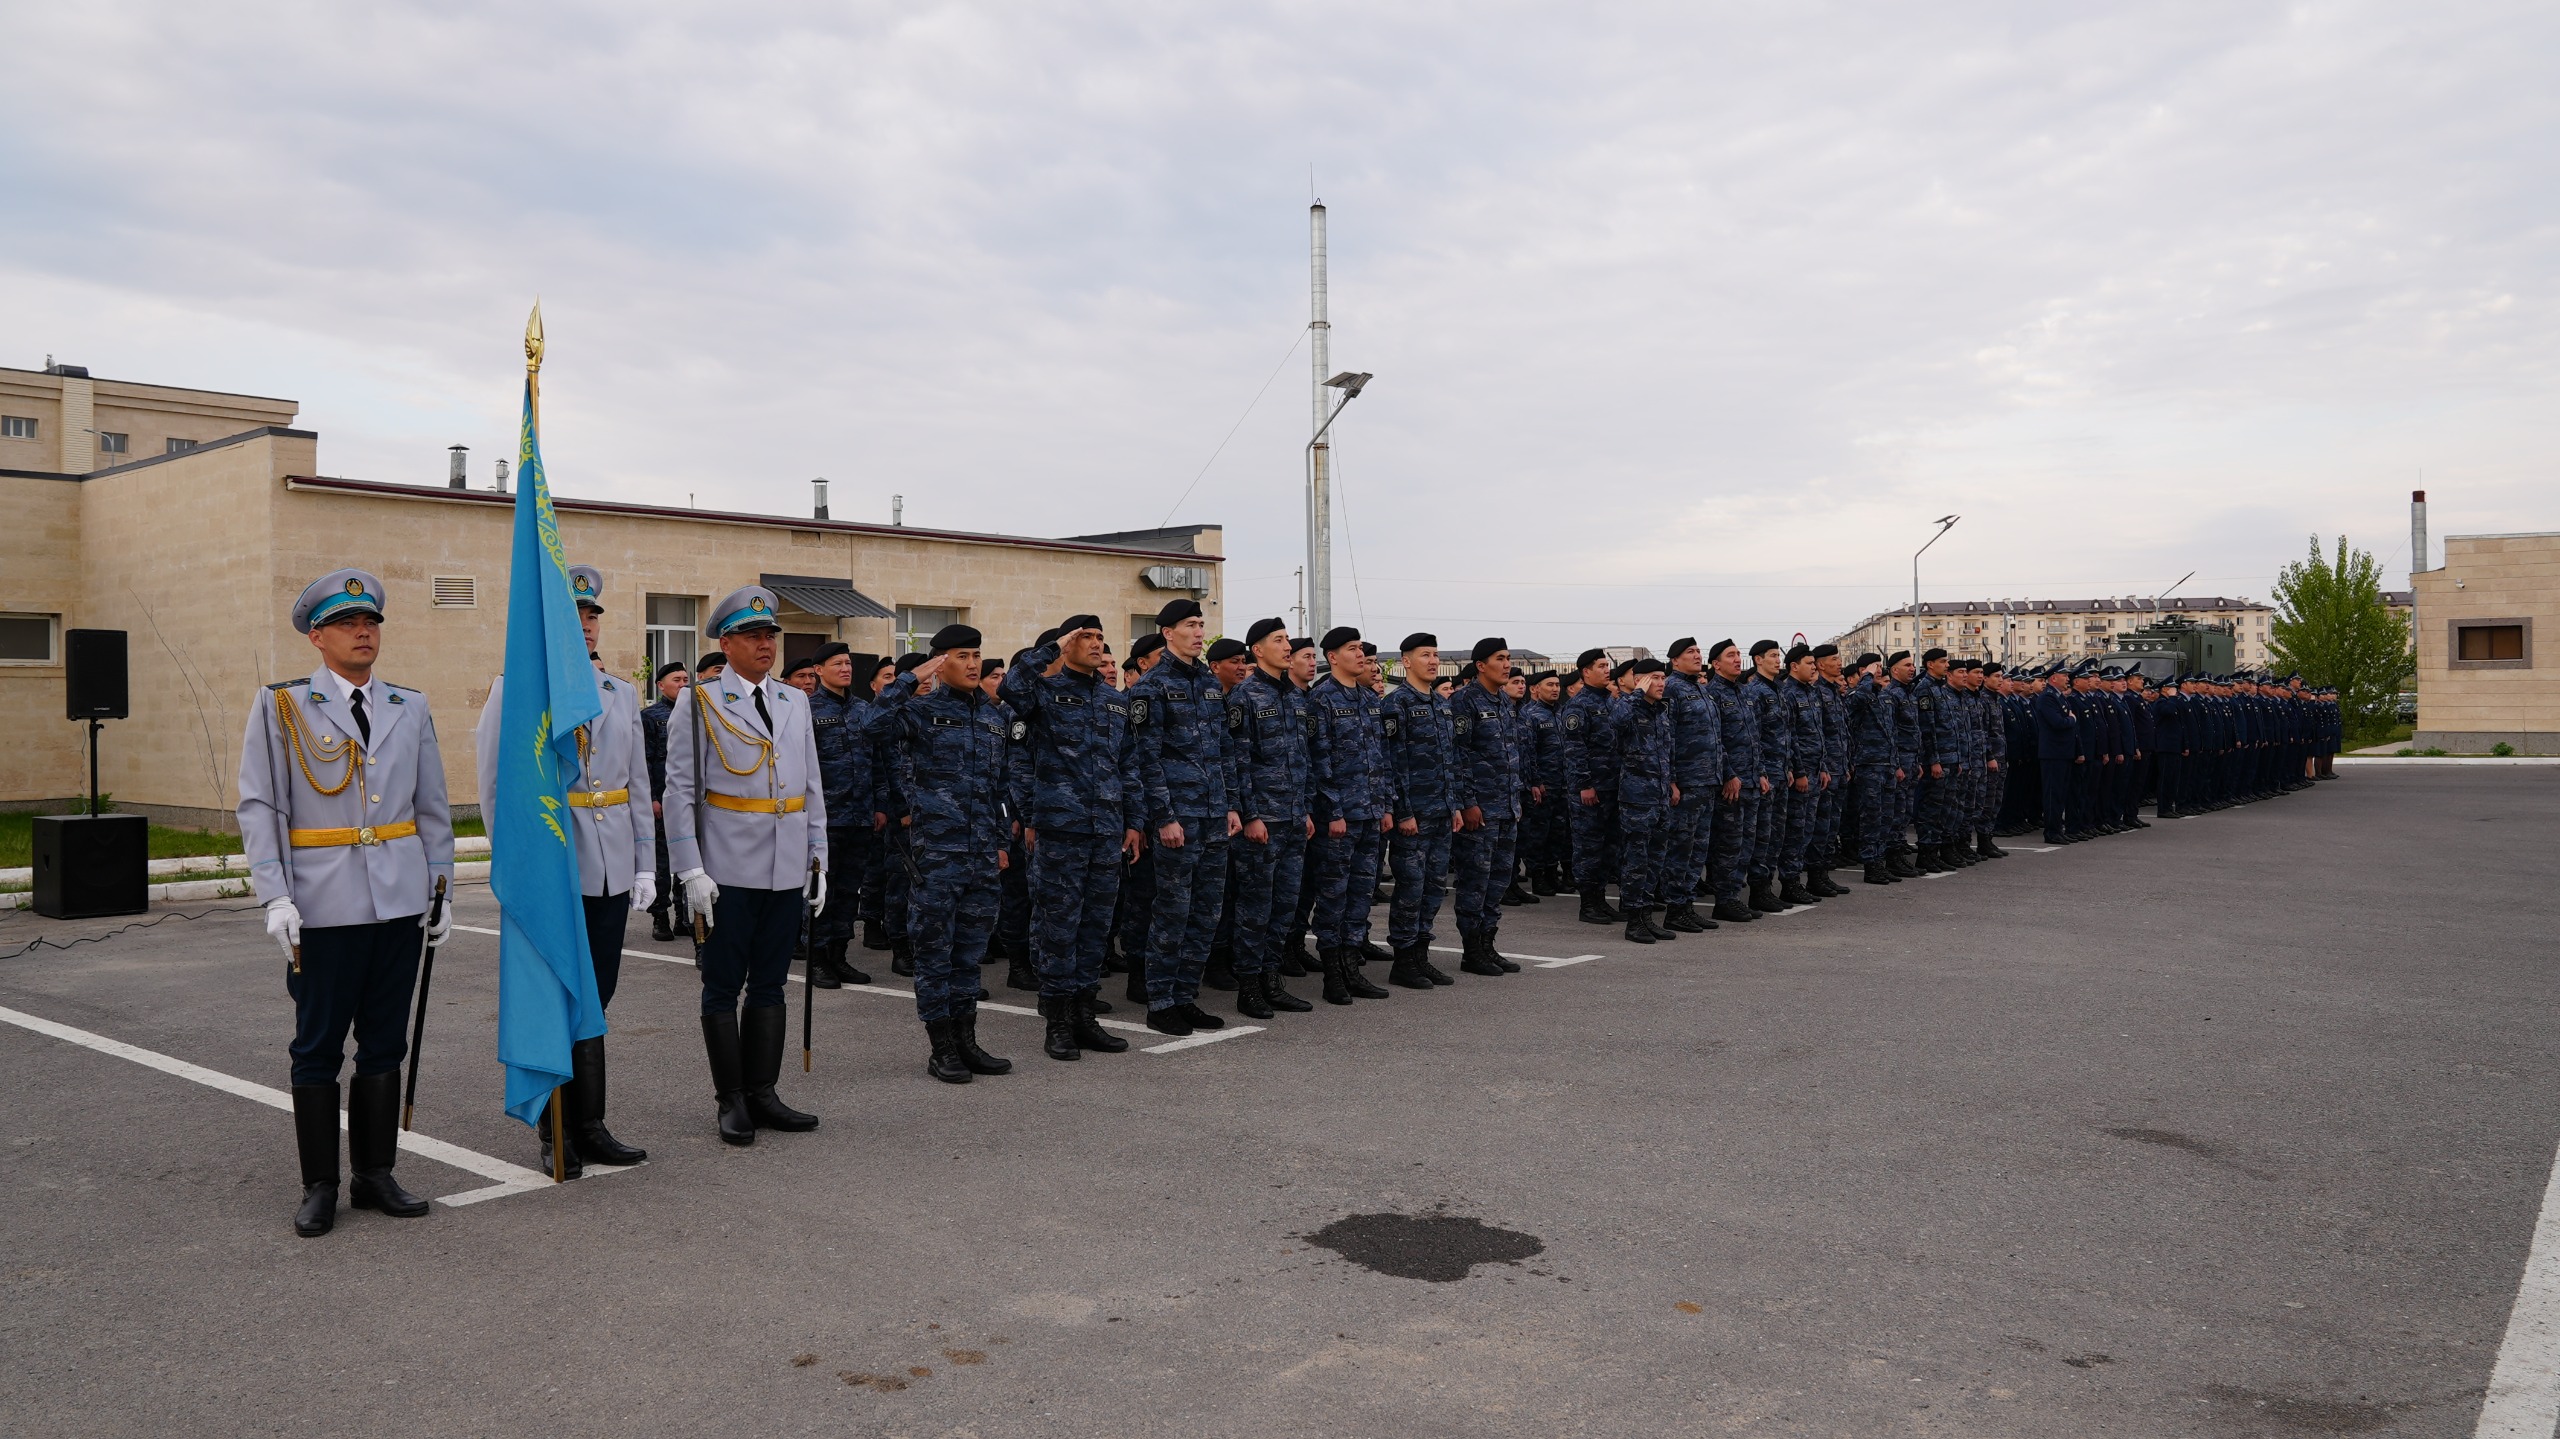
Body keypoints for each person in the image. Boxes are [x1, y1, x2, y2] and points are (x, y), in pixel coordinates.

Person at [239, 568, 455, 1237]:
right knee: (318, 1046)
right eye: (347, 623)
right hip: (322, 905)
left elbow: (431, 805)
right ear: (317, 636)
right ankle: (320, 1184)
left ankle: (374, 1173)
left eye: (370, 622)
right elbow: (261, 804)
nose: (364, 632)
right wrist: (275, 895)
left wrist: (440, 889)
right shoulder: (281, 705)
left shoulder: (408, 705)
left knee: (385, 1041)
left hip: (397, 901)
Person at [472, 563, 654, 1177]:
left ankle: (591, 1123)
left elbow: (636, 784)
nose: (586, 624)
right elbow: (495, 783)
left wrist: (646, 863)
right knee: (554, 994)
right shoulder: (517, 689)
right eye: (574, 614)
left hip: (610, 866)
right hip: (553, 863)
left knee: (596, 994)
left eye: (592, 614)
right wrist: (514, 859)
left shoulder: (619, 692)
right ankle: (556, 1131)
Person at [663, 586, 826, 1145]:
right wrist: (689, 868)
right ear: (726, 644)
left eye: (770, 635)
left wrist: (818, 858)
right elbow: (680, 791)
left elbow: (810, 786)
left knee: (771, 983)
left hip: (786, 864)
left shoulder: (794, 701)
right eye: (753, 635)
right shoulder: (700, 701)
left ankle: (763, 1092)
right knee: (722, 985)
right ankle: (730, 1098)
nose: (765, 644)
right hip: (726, 869)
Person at [999, 615, 1141, 1058]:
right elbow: (1010, 687)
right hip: (1061, 829)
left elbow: (1128, 764)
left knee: (1096, 927)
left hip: (1106, 830)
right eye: (1086, 637)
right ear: (1067, 645)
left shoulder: (1114, 701)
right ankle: (1057, 1021)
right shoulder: (1044, 692)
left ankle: (1084, 1014)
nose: (1096, 644)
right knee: (1058, 926)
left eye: (1100, 637)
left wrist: (1134, 821)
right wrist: (1053, 647)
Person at [879, 624, 1017, 1082]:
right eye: (961, 656)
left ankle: (966, 1041)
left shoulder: (994, 717)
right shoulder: (919, 711)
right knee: (935, 954)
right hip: (937, 856)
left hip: (981, 857)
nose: (973, 664)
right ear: (940, 664)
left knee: (969, 955)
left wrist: (1000, 843)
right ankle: (941, 1048)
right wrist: (909, 678)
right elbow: (871, 725)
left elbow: (1000, 788)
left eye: (976, 655)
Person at [1128, 599, 1242, 1035]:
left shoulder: (1210, 683)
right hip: (1179, 817)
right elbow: (1146, 758)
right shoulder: (1151, 686)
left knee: (1206, 912)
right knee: (1173, 910)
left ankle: (1185, 996)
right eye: (1190, 625)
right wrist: (1163, 817)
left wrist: (1231, 805)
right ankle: (1160, 1001)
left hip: (1213, 814)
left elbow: (1224, 750)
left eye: (1200, 624)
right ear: (1168, 633)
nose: (1198, 632)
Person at [1223, 617, 1320, 1019]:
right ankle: (1249, 987)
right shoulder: (1244, 696)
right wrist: (1249, 815)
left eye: (1286, 640)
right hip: (1262, 820)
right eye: (1278, 640)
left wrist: (1306, 809)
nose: (1287, 646)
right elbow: (1237, 761)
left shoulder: (1295, 697)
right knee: (1255, 906)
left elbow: (1304, 758)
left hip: (1293, 818)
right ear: (1258, 650)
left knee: (1284, 905)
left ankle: (1272, 980)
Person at [1306, 626, 1393, 1004]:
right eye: (1352, 649)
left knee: (1360, 895)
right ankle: (1333, 976)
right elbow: (1319, 762)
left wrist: (1385, 806)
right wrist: (1333, 812)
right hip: (1339, 818)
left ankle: (1352, 968)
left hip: (1370, 813)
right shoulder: (1321, 699)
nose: (1361, 655)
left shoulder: (1370, 699)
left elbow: (1381, 758)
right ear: (1332, 657)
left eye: (1361, 648)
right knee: (1333, 895)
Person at [1382, 633, 1461, 990]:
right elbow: (1393, 763)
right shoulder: (1396, 704)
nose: (1432, 661)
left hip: (1441, 811)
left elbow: (1450, 760)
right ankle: (1403, 961)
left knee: (1433, 888)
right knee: (1410, 889)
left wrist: (1453, 804)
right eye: (1425, 655)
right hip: (1413, 815)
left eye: (1435, 655)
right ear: (1406, 661)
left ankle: (1421, 955)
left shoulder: (1442, 705)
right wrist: (1403, 812)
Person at [1449, 638, 1525, 974]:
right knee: (1475, 882)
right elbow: (1458, 755)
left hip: (1506, 807)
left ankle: (1487, 944)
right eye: (1499, 658)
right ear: (1481, 665)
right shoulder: (1464, 701)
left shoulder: (1505, 701)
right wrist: (1468, 802)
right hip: (1480, 809)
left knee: (1497, 882)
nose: (1507, 664)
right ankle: (1471, 951)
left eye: (1508, 658)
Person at [807, 643, 875, 988]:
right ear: (819, 670)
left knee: (849, 891)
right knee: (823, 889)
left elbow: (879, 760)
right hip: (825, 817)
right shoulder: (807, 709)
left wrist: (880, 805)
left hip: (860, 815)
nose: (846, 669)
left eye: (848, 663)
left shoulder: (864, 709)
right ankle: (816, 957)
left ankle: (838, 955)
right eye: (837, 663)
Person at [1609, 657, 1678, 943]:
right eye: (1655, 678)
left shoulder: (1659, 712)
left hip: (1659, 796)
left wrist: (1671, 783)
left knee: (1655, 861)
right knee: (1636, 861)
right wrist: (1636, 693)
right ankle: (1634, 920)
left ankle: (1647, 917)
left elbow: (1667, 753)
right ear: (1640, 681)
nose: (1661, 683)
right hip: (1637, 799)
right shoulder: (1627, 707)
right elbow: (1616, 721)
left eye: (1663, 678)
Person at [1658, 639, 1722, 933]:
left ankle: (1686, 906)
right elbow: (1666, 736)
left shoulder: (1701, 689)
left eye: (1698, 651)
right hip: (1686, 782)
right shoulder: (1671, 688)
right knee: (1681, 848)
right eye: (1690, 653)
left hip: (1706, 781)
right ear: (1674, 660)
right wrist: (1671, 780)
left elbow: (1715, 737)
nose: (1697, 656)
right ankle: (1674, 908)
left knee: (1698, 849)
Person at [1559, 648, 1622, 925]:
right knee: (1588, 847)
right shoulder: (1578, 705)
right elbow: (1574, 749)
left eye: (1607, 665)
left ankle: (1600, 900)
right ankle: (1588, 904)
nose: (1607, 670)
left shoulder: (1611, 701)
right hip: (1590, 789)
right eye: (1601, 666)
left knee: (1609, 847)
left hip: (1612, 786)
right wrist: (1584, 784)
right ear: (1586, 672)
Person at [1703, 640, 1764, 922]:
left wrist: (1761, 772)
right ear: (1716, 664)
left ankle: (1734, 895)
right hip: (1731, 783)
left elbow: (1755, 738)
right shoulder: (1712, 694)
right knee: (1727, 844)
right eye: (1731, 656)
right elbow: (1715, 741)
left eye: (1739, 654)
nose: (1738, 659)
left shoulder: (1744, 692)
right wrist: (1729, 774)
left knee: (1745, 843)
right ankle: (1724, 899)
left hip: (1751, 779)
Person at [1774, 643, 1829, 907]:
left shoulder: (1812, 692)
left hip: (1815, 771)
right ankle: (1790, 883)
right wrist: (1799, 771)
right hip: (1801, 774)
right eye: (1809, 663)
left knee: (1808, 830)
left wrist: (1823, 767)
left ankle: (1804, 879)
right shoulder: (1789, 693)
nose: (1814, 668)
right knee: (1795, 832)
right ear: (1794, 666)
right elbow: (1791, 737)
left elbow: (1819, 734)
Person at [642, 660, 685, 940]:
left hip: (687, 798)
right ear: (660, 686)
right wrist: (652, 798)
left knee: (687, 857)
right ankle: (660, 915)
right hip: (661, 797)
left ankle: (684, 915)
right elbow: (643, 761)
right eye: (676, 680)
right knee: (662, 862)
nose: (682, 685)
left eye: (685, 680)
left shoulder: (695, 712)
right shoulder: (650, 716)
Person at [1517, 670, 1566, 897]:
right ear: (1535, 689)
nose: (1555, 689)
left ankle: (1551, 873)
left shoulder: (1561, 713)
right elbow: (1529, 752)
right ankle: (1537, 876)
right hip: (1543, 785)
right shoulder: (1530, 715)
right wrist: (1536, 780)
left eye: (1557, 685)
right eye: (1550, 685)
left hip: (1562, 784)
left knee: (1557, 833)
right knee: (1538, 833)